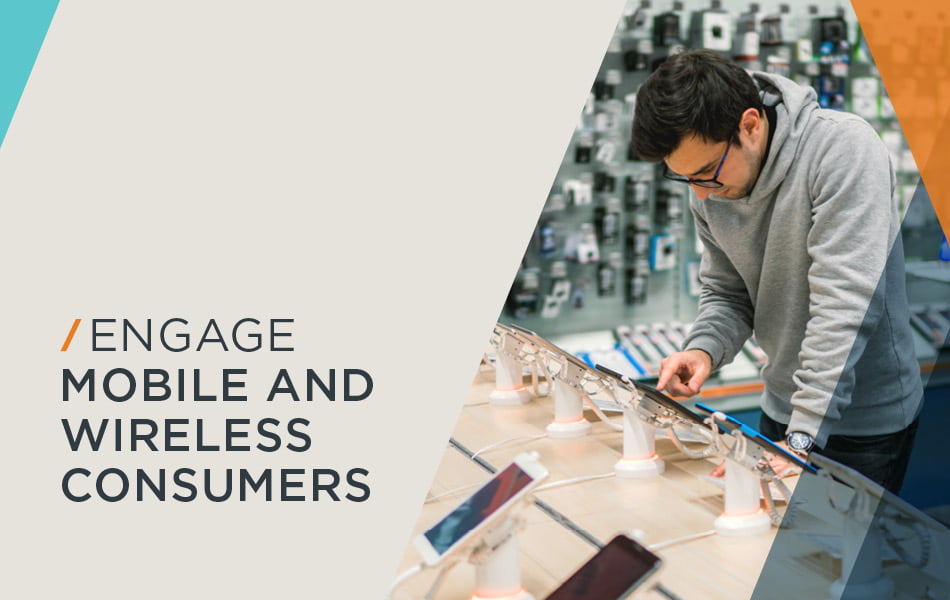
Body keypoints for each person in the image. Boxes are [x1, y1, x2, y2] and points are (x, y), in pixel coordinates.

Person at [631, 50, 922, 493]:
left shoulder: (842, 149)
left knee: (840, 562)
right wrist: (704, 349)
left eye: (706, 172)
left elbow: (843, 306)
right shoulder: (710, 186)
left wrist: (801, 437)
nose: (701, 195)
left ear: (750, 125)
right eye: (685, 178)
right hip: (784, 410)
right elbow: (728, 293)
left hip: (864, 426)